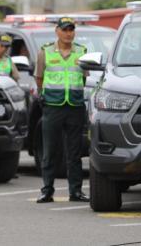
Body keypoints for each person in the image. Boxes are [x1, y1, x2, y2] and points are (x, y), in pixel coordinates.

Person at [34, 17, 90, 203]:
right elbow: (39, 78)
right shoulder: (45, 52)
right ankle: (47, 190)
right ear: (57, 31)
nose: (68, 33)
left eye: (71, 30)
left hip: (75, 106)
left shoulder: (82, 52)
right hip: (53, 106)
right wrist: (46, 96)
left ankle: (75, 191)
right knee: (50, 151)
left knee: (74, 153)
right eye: (65, 30)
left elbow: (83, 79)